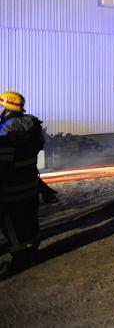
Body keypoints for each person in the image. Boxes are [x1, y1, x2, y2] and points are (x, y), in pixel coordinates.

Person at [0, 90, 46, 276]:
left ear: (7, 107)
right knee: (29, 220)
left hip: (10, 190)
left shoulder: (5, 131)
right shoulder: (32, 125)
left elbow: (3, 165)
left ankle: (20, 260)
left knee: (11, 225)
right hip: (30, 185)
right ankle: (32, 251)